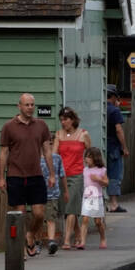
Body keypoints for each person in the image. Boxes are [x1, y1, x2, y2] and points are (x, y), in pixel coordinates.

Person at [0, 93, 55, 257]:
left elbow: (47, 150)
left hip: (35, 174)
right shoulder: (9, 126)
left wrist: (52, 174)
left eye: (32, 105)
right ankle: (22, 248)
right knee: (20, 213)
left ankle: (30, 234)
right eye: (27, 105)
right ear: (19, 106)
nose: (30, 108)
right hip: (15, 175)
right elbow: (4, 153)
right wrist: (1, 177)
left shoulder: (41, 125)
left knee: (39, 213)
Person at [56, 107, 91, 249]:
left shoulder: (83, 134)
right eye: (61, 120)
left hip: (77, 174)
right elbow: (54, 155)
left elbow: (90, 154)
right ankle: (77, 235)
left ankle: (66, 240)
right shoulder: (58, 135)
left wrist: (92, 171)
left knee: (70, 207)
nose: (63, 122)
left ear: (72, 120)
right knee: (67, 206)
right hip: (63, 175)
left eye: (66, 119)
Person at [39, 134, 66, 255]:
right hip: (37, 193)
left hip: (52, 193)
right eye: (46, 143)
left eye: (51, 142)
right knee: (38, 219)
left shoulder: (57, 158)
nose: (49, 145)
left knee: (51, 218)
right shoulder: (35, 158)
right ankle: (37, 242)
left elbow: (62, 175)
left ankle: (51, 241)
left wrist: (66, 190)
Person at [79, 147, 109, 249]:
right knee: (85, 219)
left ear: (95, 158)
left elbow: (106, 183)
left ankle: (103, 238)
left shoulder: (101, 170)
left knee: (98, 222)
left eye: (89, 157)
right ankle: (82, 241)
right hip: (87, 197)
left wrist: (98, 179)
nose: (86, 159)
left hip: (97, 197)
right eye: (86, 157)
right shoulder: (85, 170)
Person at [105, 85, 128, 213]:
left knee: (103, 174)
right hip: (113, 147)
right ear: (113, 97)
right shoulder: (114, 111)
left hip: (103, 147)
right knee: (114, 175)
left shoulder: (101, 109)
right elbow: (118, 130)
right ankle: (114, 204)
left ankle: (106, 203)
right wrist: (124, 147)